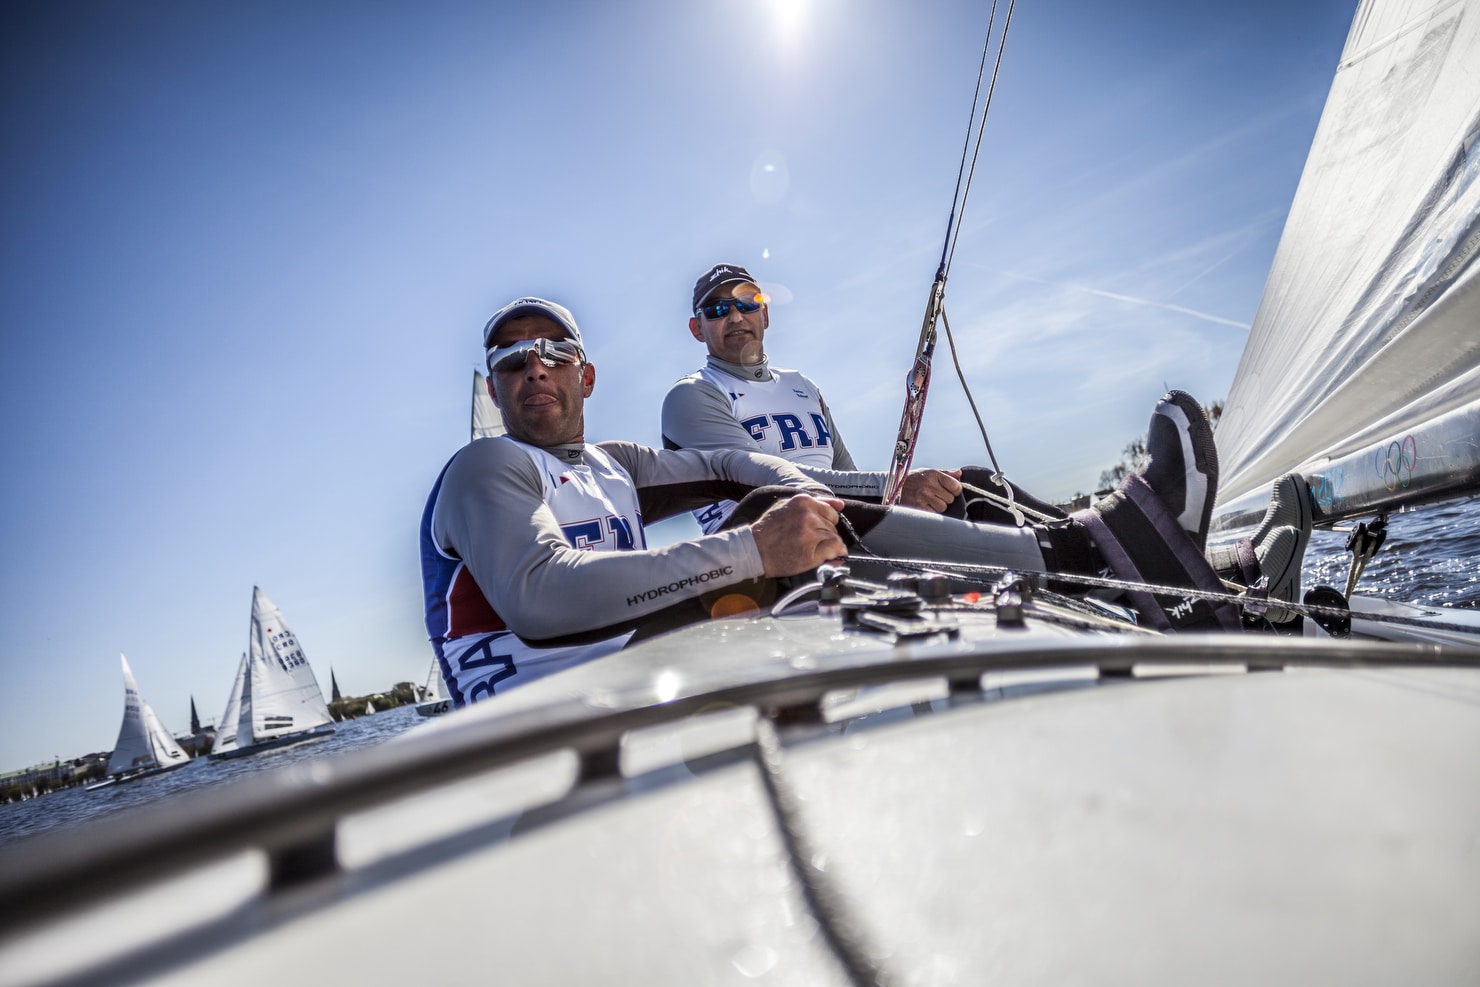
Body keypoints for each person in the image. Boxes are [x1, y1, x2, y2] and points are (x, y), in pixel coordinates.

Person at [422, 296, 1304, 708]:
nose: (531, 365)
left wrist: (899, 489)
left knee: (816, 511)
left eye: (552, 348)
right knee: (782, 537)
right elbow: (538, 599)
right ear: (495, 388)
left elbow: (744, 471)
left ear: (586, 372)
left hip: (647, 678)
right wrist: (751, 552)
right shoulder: (485, 468)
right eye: (509, 359)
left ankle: (1133, 565)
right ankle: (1120, 559)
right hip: (545, 717)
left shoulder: (612, 461)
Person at [661, 263, 1067, 534]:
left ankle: (1085, 546)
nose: (734, 316)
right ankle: (1094, 547)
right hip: (767, 545)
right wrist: (895, 487)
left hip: (840, 526)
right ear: (698, 329)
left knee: (968, 488)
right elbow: (767, 486)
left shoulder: (802, 385)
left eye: (747, 302)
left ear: (764, 314)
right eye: (716, 309)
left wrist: (896, 498)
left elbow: (846, 475)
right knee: (968, 491)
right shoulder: (693, 396)